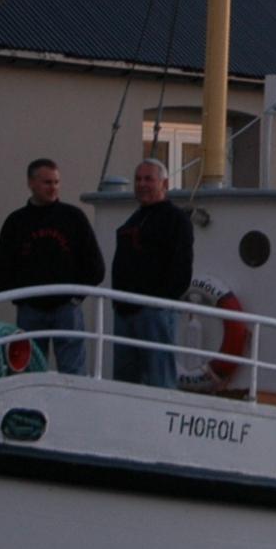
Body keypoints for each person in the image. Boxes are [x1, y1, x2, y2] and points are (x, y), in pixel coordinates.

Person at [0, 157, 104, 374]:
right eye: (47, 182)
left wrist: (75, 297)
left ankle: (71, 408)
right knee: (30, 370)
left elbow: (95, 265)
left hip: (67, 309)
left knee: (72, 372)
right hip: (30, 310)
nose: (53, 188)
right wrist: (20, 298)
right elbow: (2, 267)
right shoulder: (16, 222)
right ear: (31, 183)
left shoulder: (73, 218)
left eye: (56, 182)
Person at [109, 159, 195, 388]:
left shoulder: (175, 220)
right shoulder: (136, 218)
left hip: (154, 312)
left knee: (159, 378)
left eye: (149, 179)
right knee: (125, 381)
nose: (142, 184)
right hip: (125, 311)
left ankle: (158, 421)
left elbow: (181, 269)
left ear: (164, 183)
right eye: (138, 179)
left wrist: (159, 301)